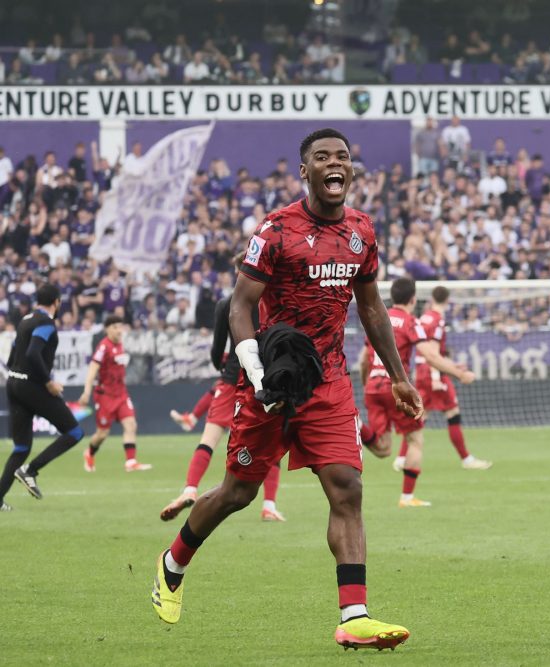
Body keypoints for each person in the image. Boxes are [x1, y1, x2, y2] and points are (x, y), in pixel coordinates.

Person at [150, 129, 422, 652]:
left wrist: (399, 374)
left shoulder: (362, 231)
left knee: (348, 487)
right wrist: (254, 372)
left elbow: (370, 309)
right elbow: (239, 305)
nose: (335, 164)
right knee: (238, 492)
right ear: (306, 171)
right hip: (271, 383)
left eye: (342, 157)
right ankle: (173, 561)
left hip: (329, 381)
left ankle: (354, 615)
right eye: (322, 158)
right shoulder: (275, 231)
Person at [160, 279, 285, 523]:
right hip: (261, 382)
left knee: (209, 439)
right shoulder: (272, 302)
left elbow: (217, 350)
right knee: (272, 444)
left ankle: (189, 489)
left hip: (231, 380)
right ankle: (269, 505)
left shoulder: (227, 304)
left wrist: (225, 368)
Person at [359, 278, 475, 508]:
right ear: (413, 300)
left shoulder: (376, 317)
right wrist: (458, 374)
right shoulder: (410, 321)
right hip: (395, 386)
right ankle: (407, 497)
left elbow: (364, 359)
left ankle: (356, 424)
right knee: (415, 439)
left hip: (373, 386)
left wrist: (366, 384)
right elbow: (430, 356)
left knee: (383, 448)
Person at [0, 283, 86, 511]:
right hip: (31, 385)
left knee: (21, 447)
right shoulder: (46, 323)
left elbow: (13, 357)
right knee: (75, 432)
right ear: (57, 302)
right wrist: (48, 382)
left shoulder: (25, 320)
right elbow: (33, 352)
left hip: (13, 383)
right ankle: (31, 470)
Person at [391, 285, 491, 472]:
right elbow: (434, 353)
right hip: (432, 373)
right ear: (447, 300)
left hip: (422, 371)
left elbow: (427, 351)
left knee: (420, 416)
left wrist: (452, 366)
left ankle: (401, 457)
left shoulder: (424, 316)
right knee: (452, 413)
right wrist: (438, 375)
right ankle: (466, 459)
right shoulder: (438, 320)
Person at [79, 315, 152, 472]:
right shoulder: (103, 347)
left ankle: (131, 461)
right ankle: (89, 453)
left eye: (120, 327)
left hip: (121, 394)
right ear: (107, 329)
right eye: (115, 327)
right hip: (105, 395)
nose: (119, 330)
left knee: (131, 424)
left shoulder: (120, 345)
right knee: (102, 433)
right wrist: (86, 391)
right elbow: (93, 368)